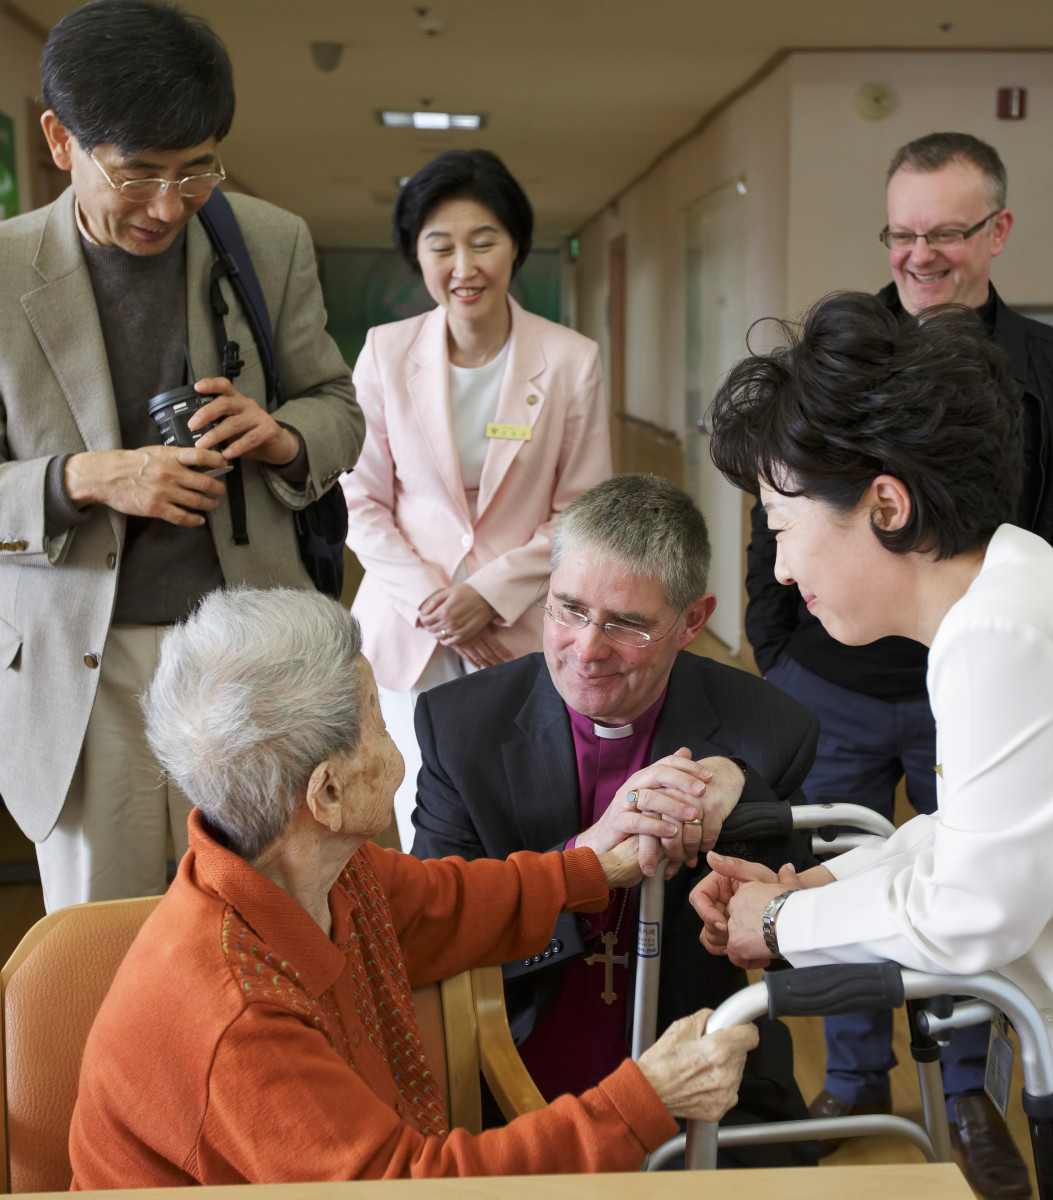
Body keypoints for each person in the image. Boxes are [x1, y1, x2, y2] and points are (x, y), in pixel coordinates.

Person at [693, 291, 1053, 1200]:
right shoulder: (1015, 596)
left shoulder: (1004, 635)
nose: (780, 567)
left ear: (885, 504)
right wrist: (817, 885)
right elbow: (971, 832)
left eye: (782, 527)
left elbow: (974, 909)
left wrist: (778, 924)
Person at [69, 587, 758, 1186]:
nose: (397, 748)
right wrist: (648, 1095)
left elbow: (440, 907)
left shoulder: (306, 865)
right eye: (375, 719)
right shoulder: (238, 1016)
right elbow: (400, 1188)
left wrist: (591, 867)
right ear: (328, 791)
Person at [742, 132, 1053, 1198]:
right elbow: (775, 517)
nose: (920, 256)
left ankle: (968, 1089)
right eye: (902, 234)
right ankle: (854, 1082)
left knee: (977, 881)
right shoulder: (835, 355)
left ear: (996, 233)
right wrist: (782, 652)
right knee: (842, 870)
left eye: (945, 234)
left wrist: (1031, 645)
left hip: (996, 683)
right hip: (840, 685)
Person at [0, 0, 364, 913]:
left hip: (249, 661)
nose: (169, 206)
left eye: (197, 170)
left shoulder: (267, 243)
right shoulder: (4, 273)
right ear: (60, 140)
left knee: (270, 927)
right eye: (138, 174)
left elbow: (338, 409)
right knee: (102, 941)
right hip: (87, 659)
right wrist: (86, 476)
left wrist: (280, 436)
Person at [412, 474, 820, 1168]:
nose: (587, 648)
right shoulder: (460, 726)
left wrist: (742, 802)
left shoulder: (769, 730)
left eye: (627, 624)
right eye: (567, 608)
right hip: (505, 1065)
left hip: (706, 1078)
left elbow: (794, 943)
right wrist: (582, 859)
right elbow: (433, 930)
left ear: (692, 621)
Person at [344, 150, 610, 851]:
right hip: (409, 630)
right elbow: (359, 498)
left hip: (516, 626)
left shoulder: (570, 359)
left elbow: (584, 508)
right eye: (442, 246)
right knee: (411, 821)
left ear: (515, 245)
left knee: (514, 824)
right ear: (417, 256)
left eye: (483, 241)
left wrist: (486, 594)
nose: (464, 266)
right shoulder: (383, 352)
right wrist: (437, 605)